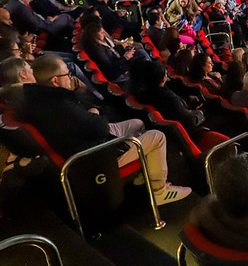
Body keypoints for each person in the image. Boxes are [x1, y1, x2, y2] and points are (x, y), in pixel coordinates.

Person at [18, 54, 191, 205]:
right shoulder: (60, 105)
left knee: (137, 123)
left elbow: (89, 119)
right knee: (157, 136)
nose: (71, 77)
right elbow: (99, 128)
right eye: (67, 74)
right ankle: (159, 190)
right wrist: (94, 112)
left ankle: (145, 171)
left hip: (91, 137)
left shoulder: (42, 97)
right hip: (97, 157)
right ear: (55, 81)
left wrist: (92, 112)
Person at [5, 0, 74, 38]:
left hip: (42, 24)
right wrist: (49, 21)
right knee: (66, 17)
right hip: (46, 28)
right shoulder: (21, 8)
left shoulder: (13, 3)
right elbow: (37, 25)